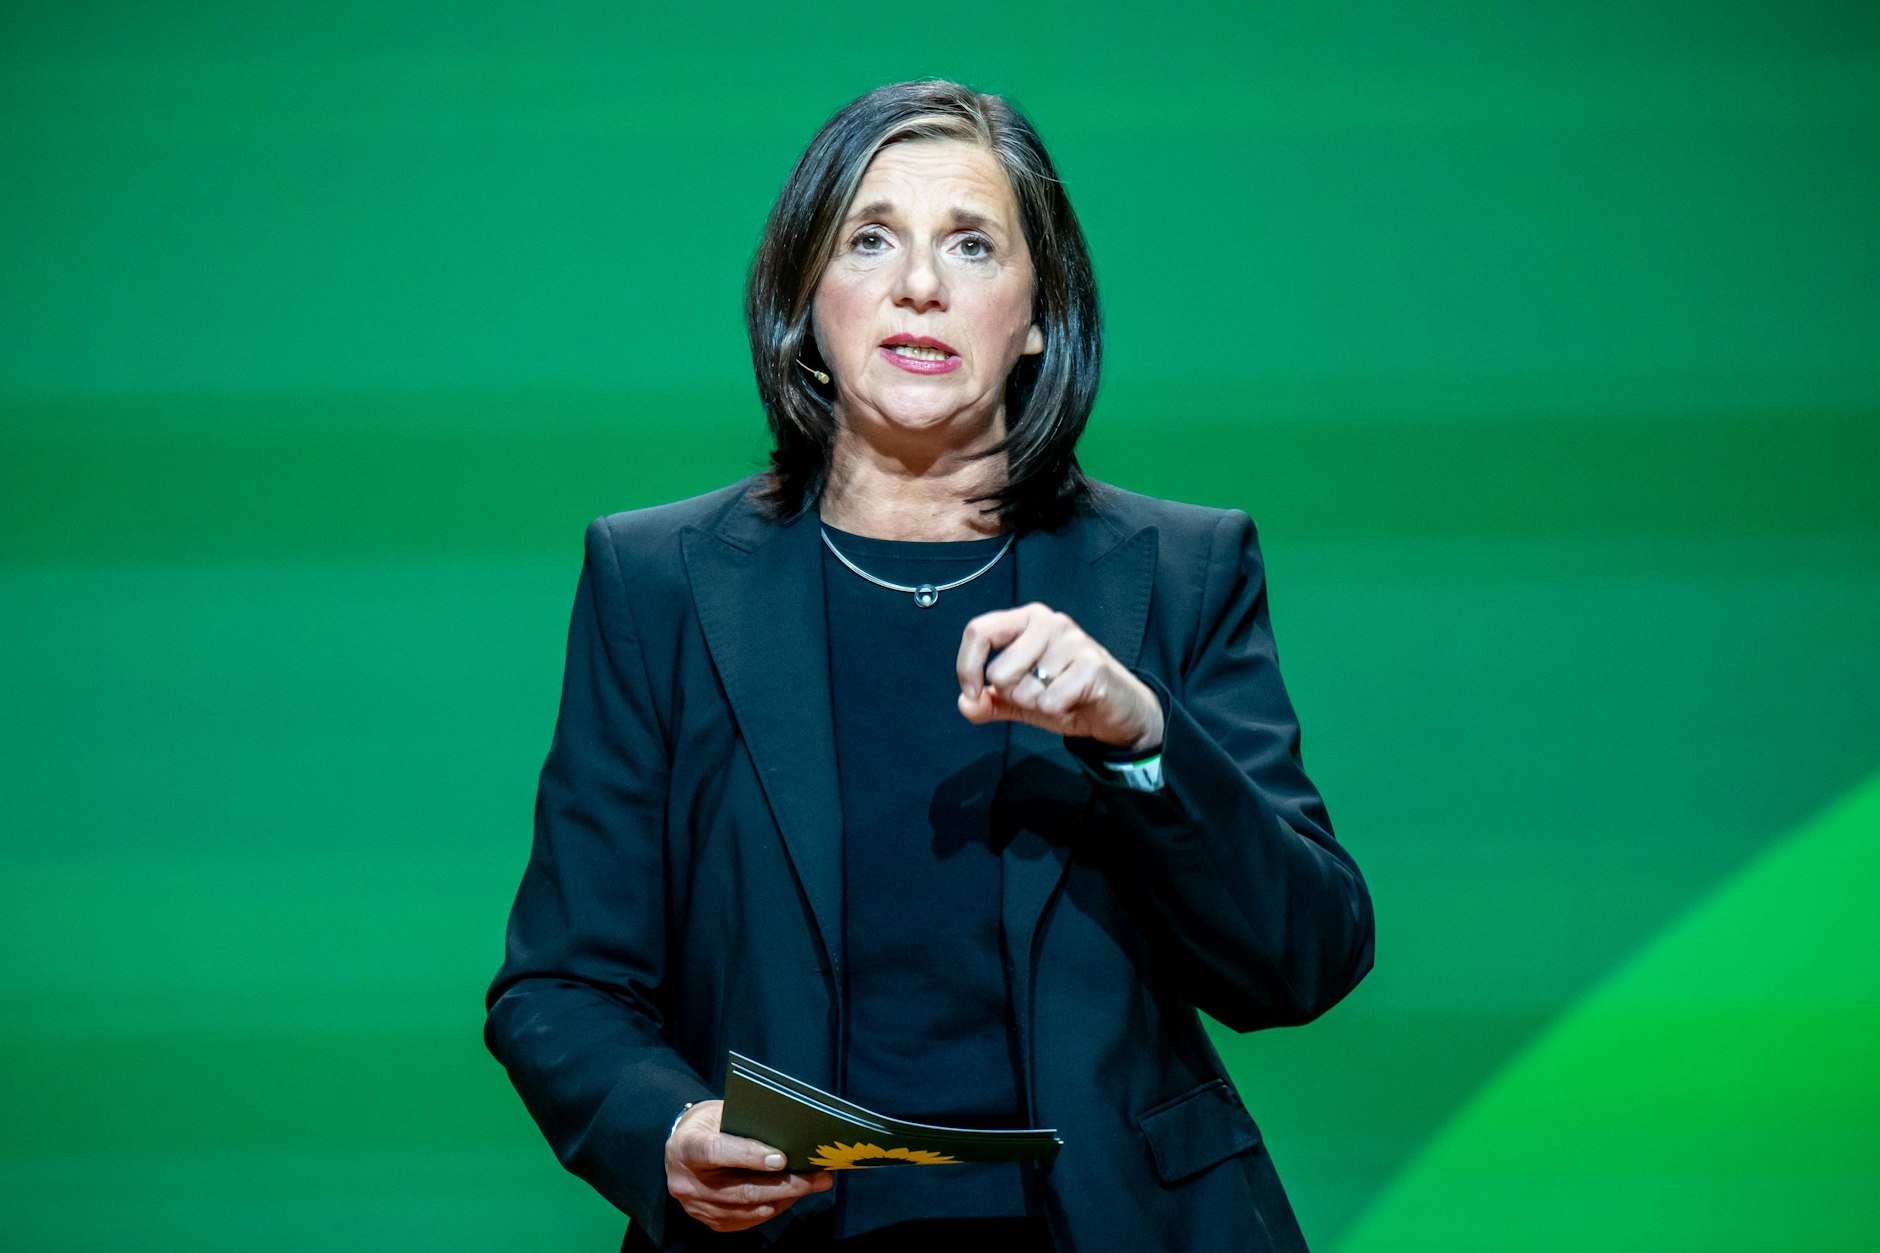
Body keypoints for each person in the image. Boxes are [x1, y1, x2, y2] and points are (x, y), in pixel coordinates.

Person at [485, 80, 1374, 1252]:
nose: (919, 284)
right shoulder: (656, 581)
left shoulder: (1177, 567)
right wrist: (666, 1131)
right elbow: (559, 985)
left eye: (970, 244)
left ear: (1039, 313)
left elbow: (1301, 960)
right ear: (807, 297)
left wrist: (1141, 736)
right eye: (868, 239)